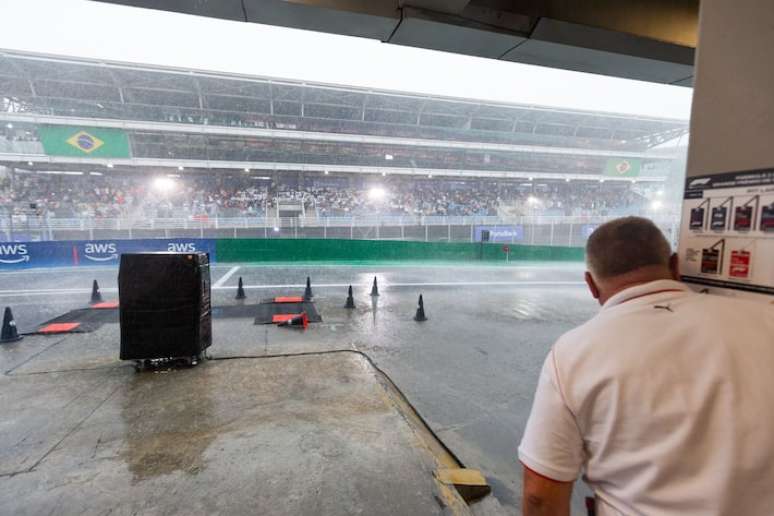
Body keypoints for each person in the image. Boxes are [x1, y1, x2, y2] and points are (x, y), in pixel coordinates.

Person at [518, 216, 774, 516]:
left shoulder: (573, 352)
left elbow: (540, 494)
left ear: (590, 284)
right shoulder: (764, 320)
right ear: (676, 265)